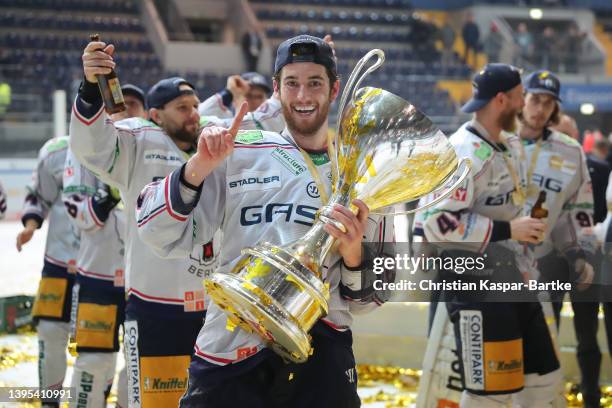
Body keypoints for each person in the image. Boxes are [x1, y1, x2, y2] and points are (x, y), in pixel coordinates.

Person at [136, 34, 395, 408]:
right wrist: (198, 168)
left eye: (315, 83)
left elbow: (375, 296)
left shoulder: (366, 174)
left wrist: (354, 255)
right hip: (233, 344)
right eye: (292, 83)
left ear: (335, 88)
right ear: (277, 88)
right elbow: (157, 234)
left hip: (322, 353)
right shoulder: (241, 150)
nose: (303, 96)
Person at [70, 39, 220, 407]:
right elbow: (93, 146)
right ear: (155, 114)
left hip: (211, 309)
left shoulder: (214, 145)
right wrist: (91, 88)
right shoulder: (138, 140)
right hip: (154, 306)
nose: (192, 114)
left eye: (195, 106)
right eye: (181, 107)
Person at [419, 63, 562, 406]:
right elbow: (436, 223)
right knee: (491, 391)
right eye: (521, 97)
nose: (525, 106)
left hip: (512, 277)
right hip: (474, 284)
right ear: (502, 99)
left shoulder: (505, 144)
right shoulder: (462, 153)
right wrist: (511, 229)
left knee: (543, 378)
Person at [62, 85, 147, 408]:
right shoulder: (82, 151)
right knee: (94, 362)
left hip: (140, 282)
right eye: (115, 106)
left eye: (132, 105)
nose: (122, 111)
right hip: (97, 276)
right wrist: (112, 193)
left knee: (136, 365)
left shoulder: (152, 149)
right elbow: (82, 216)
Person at [16, 135, 80, 407]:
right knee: (51, 333)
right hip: (58, 262)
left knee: (97, 350)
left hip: (109, 269)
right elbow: (38, 194)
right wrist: (31, 224)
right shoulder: (56, 151)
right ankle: (50, 402)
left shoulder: (131, 144)